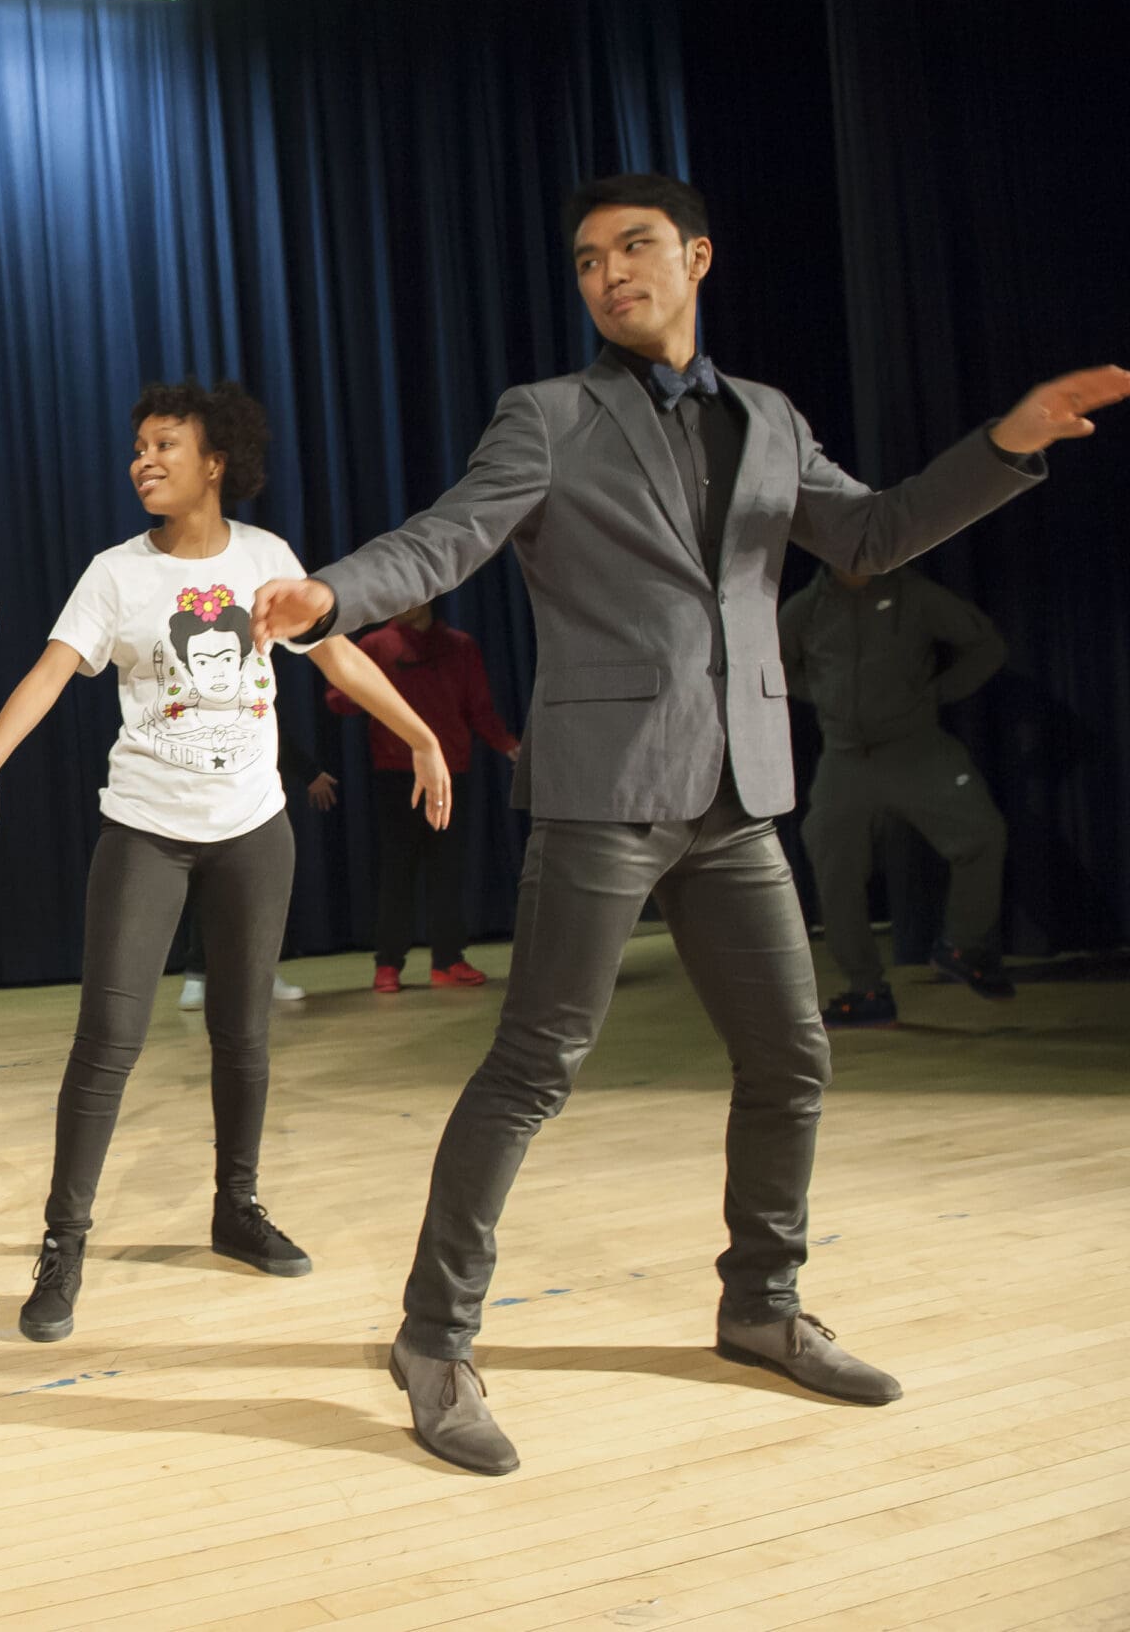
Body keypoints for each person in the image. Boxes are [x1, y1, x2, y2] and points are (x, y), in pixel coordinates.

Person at [250, 172, 1125, 1476]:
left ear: (697, 257)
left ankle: (760, 1303)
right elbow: (449, 536)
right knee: (534, 1066)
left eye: (638, 246)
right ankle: (434, 1335)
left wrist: (1007, 444)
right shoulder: (547, 417)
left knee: (794, 1055)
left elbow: (875, 533)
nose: (612, 272)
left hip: (737, 796)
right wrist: (331, 594)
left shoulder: (770, 419)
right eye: (592, 257)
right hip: (604, 789)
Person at [0, 379, 452, 1344]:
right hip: (146, 826)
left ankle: (237, 1207)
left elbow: (336, 655)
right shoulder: (115, 574)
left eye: (165, 444)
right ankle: (63, 1244)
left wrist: (421, 732)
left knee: (243, 1031)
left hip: (253, 827)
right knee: (108, 1042)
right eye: (137, 444)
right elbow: (49, 674)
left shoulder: (267, 558)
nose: (144, 459)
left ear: (215, 462)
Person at [780, 565, 1011, 1027]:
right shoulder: (806, 607)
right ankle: (866, 991)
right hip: (845, 759)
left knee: (983, 836)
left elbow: (987, 647)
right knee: (834, 869)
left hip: (917, 749)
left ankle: (962, 945)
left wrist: (933, 694)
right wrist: (825, 696)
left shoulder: (915, 596)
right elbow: (773, 665)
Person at [323, 600, 520, 991]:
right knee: (398, 869)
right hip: (397, 773)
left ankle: (447, 961)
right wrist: (353, 691)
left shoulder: (460, 646)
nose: (399, 606)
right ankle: (388, 967)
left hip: (451, 773)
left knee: (448, 869)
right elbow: (340, 697)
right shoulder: (378, 644)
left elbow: (479, 709)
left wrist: (510, 747)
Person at [174, 742, 336, 1009]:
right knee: (210, 887)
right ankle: (197, 977)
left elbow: (269, 730)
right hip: (200, 795)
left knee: (258, 889)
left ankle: (261, 975)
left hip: (252, 797)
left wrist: (309, 771)